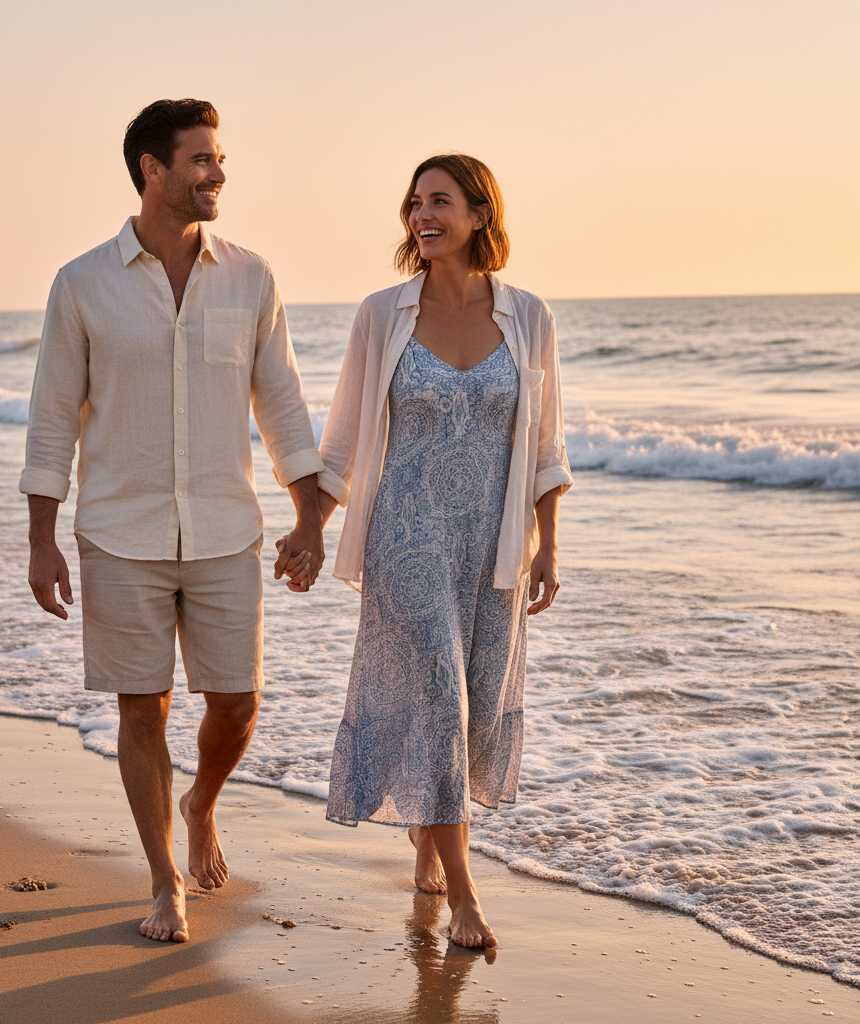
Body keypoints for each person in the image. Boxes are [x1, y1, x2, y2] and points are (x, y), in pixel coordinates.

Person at [20, 99, 324, 943]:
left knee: (237, 702)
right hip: (119, 530)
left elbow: (284, 408)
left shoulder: (251, 276)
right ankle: (163, 883)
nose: (217, 173)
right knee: (140, 709)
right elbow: (52, 418)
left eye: (218, 158)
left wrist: (309, 518)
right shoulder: (82, 284)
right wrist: (42, 539)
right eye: (200, 159)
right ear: (152, 170)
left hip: (228, 527)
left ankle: (201, 802)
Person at [312, 153, 573, 948]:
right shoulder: (381, 314)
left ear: (479, 213)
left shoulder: (528, 317)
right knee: (441, 695)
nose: (423, 215)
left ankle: (432, 835)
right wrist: (308, 525)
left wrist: (548, 547)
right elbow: (346, 439)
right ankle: (464, 894)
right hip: (405, 538)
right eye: (415, 202)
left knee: (473, 701)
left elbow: (547, 447)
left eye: (441, 201)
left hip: (491, 545)